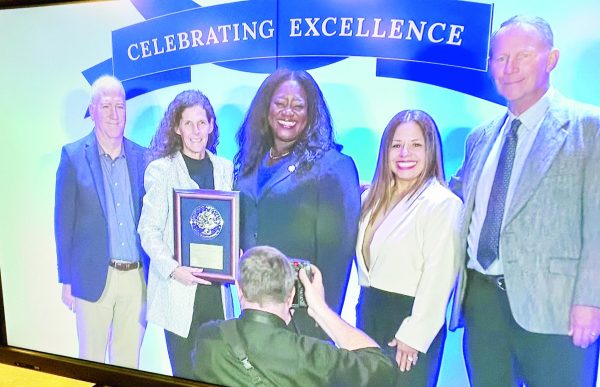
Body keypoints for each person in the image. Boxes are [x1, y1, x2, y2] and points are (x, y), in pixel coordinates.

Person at [448, 15, 600, 387]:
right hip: (482, 306)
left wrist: (591, 300)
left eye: (524, 56)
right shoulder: (481, 137)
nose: (509, 68)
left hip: (558, 311)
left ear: (551, 59)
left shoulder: (588, 127)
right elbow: (455, 198)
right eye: (500, 59)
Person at [234, 68, 361, 339]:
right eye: (280, 103)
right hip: (253, 308)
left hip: (302, 319)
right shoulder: (249, 162)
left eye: (298, 105)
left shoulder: (333, 166)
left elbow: (337, 256)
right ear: (266, 108)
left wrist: (321, 319)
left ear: (311, 113)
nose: (287, 112)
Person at [356, 110, 462, 386]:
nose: (405, 154)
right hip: (369, 315)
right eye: (396, 145)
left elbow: (439, 277)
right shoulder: (371, 198)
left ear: (431, 150)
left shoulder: (442, 203)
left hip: (408, 323)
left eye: (416, 145)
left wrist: (415, 334)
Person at [191, 245, 397, 386]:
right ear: (291, 295)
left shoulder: (208, 338)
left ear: (239, 289)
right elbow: (382, 369)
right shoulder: (311, 355)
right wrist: (321, 310)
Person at [137, 90, 235, 379]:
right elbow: (148, 230)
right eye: (188, 123)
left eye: (201, 122)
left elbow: (228, 224)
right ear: (177, 128)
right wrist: (174, 269)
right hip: (180, 291)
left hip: (216, 293)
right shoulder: (162, 170)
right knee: (184, 374)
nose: (196, 131)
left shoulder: (225, 168)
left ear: (211, 125)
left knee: (219, 374)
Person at [54, 75, 147, 368]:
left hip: (137, 281)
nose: (114, 114)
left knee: (128, 367)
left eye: (119, 106)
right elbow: (62, 222)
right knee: (90, 365)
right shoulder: (72, 156)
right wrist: (66, 278)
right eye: (106, 106)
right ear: (92, 111)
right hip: (93, 277)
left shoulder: (143, 157)